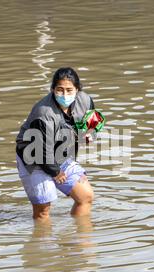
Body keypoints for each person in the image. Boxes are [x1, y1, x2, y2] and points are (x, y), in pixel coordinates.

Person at [16, 67, 96, 221]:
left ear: (77, 90)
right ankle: (43, 242)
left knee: (85, 197)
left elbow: (93, 121)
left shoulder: (85, 100)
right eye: (60, 90)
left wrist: (88, 134)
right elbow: (40, 151)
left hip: (61, 154)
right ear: (52, 89)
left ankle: (77, 239)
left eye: (69, 90)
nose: (65, 95)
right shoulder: (44, 113)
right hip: (34, 158)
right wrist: (55, 173)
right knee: (43, 210)